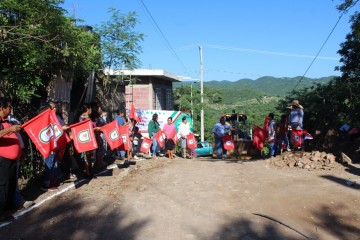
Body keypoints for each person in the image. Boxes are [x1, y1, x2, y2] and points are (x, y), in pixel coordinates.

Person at [0, 97, 22, 222]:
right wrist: (10, 129)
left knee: (10, 184)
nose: (10, 109)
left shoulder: (7, 120)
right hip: (2, 160)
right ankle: (1, 212)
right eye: (8, 106)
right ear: (1, 108)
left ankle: (7, 210)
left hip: (11, 160)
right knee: (2, 186)